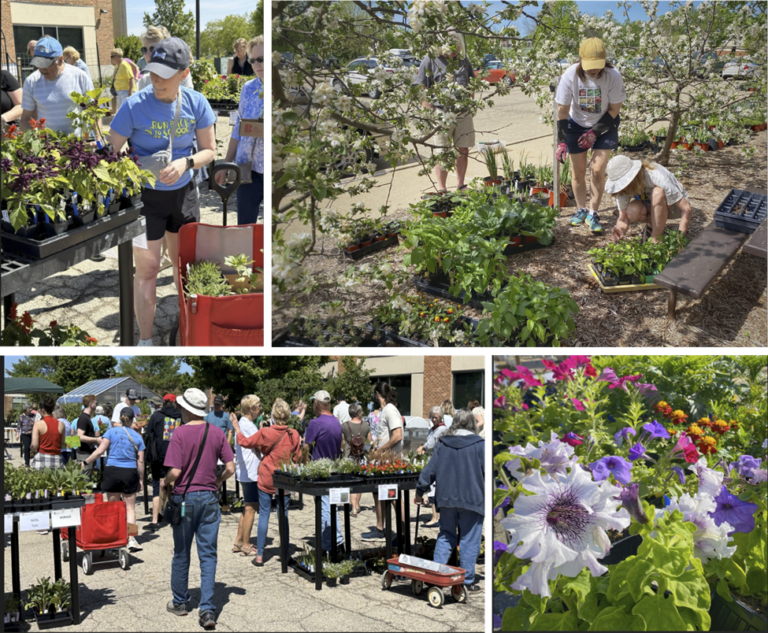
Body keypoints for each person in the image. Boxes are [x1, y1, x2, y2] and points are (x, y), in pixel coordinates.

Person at [108, 37, 216, 349]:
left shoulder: (197, 102)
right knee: (148, 270)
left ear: (184, 73)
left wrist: (186, 162)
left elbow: (210, 150)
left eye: (165, 75)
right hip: (146, 201)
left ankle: (190, 331)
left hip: (184, 196)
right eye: (152, 72)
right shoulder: (133, 106)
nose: (155, 80)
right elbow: (109, 154)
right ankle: (144, 341)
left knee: (184, 267)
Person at [162, 388, 235, 629]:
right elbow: (231, 468)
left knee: (181, 552)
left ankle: (180, 602)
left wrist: (164, 483)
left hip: (185, 500)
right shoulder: (216, 432)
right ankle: (207, 610)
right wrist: (218, 481)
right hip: (210, 499)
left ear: (186, 409)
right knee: (208, 554)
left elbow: (175, 471)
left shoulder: (180, 433)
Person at [556, 38, 626, 235]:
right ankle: (580, 209)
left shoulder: (613, 76)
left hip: (605, 124)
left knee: (597, 170)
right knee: (577, 172)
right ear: (581, 60)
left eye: (597, 66)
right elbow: (562, 111)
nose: (593, 71)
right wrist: (562, 142)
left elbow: (614, 110)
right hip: (576, 124)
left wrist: (594, 132)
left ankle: (593, 212)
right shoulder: (570, 75)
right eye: (589, 66)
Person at [415, 409, 485, 591]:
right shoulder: (480, 445)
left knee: (446, 535)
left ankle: (436, 576)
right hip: (473, 499)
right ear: (472, 424)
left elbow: (429, 470)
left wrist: (420, 491)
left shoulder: (442, 444)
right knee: (469, 539)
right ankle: (466, 581)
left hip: (446, 499)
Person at [232, 398, 301, 566]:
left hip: (266, 477)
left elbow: (244, 442)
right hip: (284, 477)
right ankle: (285, 553)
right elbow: (298, 457)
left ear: (273, 414)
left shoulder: (266, 432)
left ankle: (260, 556)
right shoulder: (294, 434)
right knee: (283, 515)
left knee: (263, 514)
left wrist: (236, 429)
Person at [412, 30, 476, 193]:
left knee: (463, 149)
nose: (454, 50)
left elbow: (471, 83)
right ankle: (442, 188)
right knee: (442, 152)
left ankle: (461, 185)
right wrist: (430, 110)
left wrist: (471, 102)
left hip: (463, 112)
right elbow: (421, 86)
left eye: (456, 46)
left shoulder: (463, 59)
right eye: (450, 46)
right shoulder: (431, 59)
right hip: (441, 112)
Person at [215, 36, 265, 225]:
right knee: (245, 225)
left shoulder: (283, 89)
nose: (257, 64)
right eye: (253, 60)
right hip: (247, 169)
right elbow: (238, 129)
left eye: (261, 59)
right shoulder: (248, 88)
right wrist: (227, 163)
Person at [83, 407, 145, 552]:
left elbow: (99, 451)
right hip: (130, 472)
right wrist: (141, 479)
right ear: (132, 419)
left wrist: (85, 462)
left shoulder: (110, 432)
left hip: (112, 471)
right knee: (130, 508)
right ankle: (131, 538)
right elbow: (140, 462)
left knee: (113, 507)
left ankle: (114, 537)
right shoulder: (138, 437)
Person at [605, 155, 693, 243]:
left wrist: (679, 241)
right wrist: (620, 230)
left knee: (657, 193)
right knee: (632, 210)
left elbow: (686, 209)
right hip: (652, 208)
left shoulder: (655, 175)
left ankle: (655, 238)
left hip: (674, 207)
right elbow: (623, 218)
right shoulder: (623, 189)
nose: (623, 187)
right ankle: (653, 226)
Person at [19, 36, 95, 136]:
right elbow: (25, 118)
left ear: (60, 60)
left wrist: (98, 139)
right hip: (47, 146)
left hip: (77, 145)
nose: (42, 69)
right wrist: (31, 141)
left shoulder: (79, 76)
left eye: (47, 64)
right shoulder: (31, 81)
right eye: (38, 63)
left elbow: (94, 112)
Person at [362, 382, 404, 541]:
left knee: (393, 497)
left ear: (378, 394)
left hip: (390, 462)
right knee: (381, 494)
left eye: (374, 394)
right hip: (384, 461)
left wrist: (380, 450)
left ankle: (402, 533)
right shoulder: (386, 410)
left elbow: (397, 435)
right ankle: (380, 529)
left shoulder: (391, 410)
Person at [304, 390, 345, 551]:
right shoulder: (336, 422)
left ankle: (331, 545)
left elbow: (306, 446)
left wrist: (304, 461)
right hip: (334, 468)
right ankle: (336, 540)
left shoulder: (316, 423)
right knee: (332, 506)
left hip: (320, 471)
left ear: (317, 404)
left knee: (324, 507)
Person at [144, 394, 182, 531]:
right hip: (177, 455)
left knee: (156, 486)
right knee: (175, 485)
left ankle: (155, 520)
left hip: (158, 457)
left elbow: (148, 434)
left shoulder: (156, 416)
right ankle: (173, 515)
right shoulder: (181, 416)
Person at [230, 395, 262, 557]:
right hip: (250, 472)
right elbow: (258, 444)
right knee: (251, 508)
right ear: (251, 408)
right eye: (258, 405)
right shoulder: (246, 425)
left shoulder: (245, 424)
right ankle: (246, 544)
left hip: (246, 471)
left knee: (247, 507)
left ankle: (239, 541)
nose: (260, 408)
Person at [417, 406, 449, 527]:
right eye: (432, 417)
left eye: (436, 417)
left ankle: (436, 518)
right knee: (433, 490)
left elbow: (431, 444)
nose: (434, 419)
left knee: (435, 490)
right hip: (433, 459)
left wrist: (423, 447)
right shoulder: (433, 429)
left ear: (440, 417)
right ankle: (435, 517)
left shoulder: (441, 429)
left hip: (439, 461)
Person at [137, 27, 193, 92]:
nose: (147, 54)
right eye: (144, 50)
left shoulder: (181, 75)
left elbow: (185, 100)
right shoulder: (144, 81)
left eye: (153, 49)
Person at [340, 403, 372, 516]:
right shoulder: (366, 425)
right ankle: (357, 504)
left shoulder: (344, 426)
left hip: (349, 456)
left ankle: (353, 507)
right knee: (359, 482)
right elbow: (369, 442)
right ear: (359, 413)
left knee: (351, 482)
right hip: (361, 456)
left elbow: (341, 441)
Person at [30, 395, 65, 470]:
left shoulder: (38, 424)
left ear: (43, 410)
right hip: (57, 460)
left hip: (42, 459)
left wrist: (31, 449)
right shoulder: (61, 425)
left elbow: (34, 445)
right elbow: (62, 442)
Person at [76, 395, 102, 475]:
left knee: (88, 478)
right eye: (96, 403)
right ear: (91, 404)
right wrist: (96, 440)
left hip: (87, 453)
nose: (96, 405)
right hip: (84, 454)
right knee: (85, 479)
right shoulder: (84, 418)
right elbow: (79, 436)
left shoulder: (87, 418)